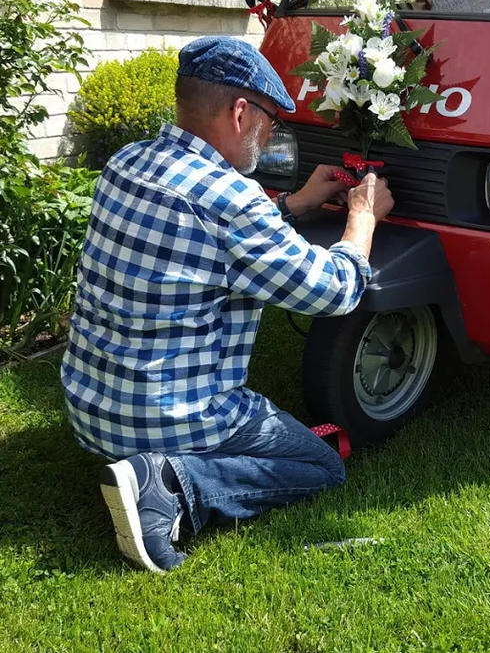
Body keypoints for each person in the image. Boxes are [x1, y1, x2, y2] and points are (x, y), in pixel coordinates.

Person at [61, 36, 394, 573]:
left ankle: (144, 467)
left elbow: (205, 238)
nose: (270, 134)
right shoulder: (232, 198)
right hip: (171, 420)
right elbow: (334, 290)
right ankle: (171, 484)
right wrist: (363, 216)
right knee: (319, 465)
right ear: (241, 112)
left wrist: (295, 204)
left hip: (90, 413)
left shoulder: (126, 163)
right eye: (270, 120)